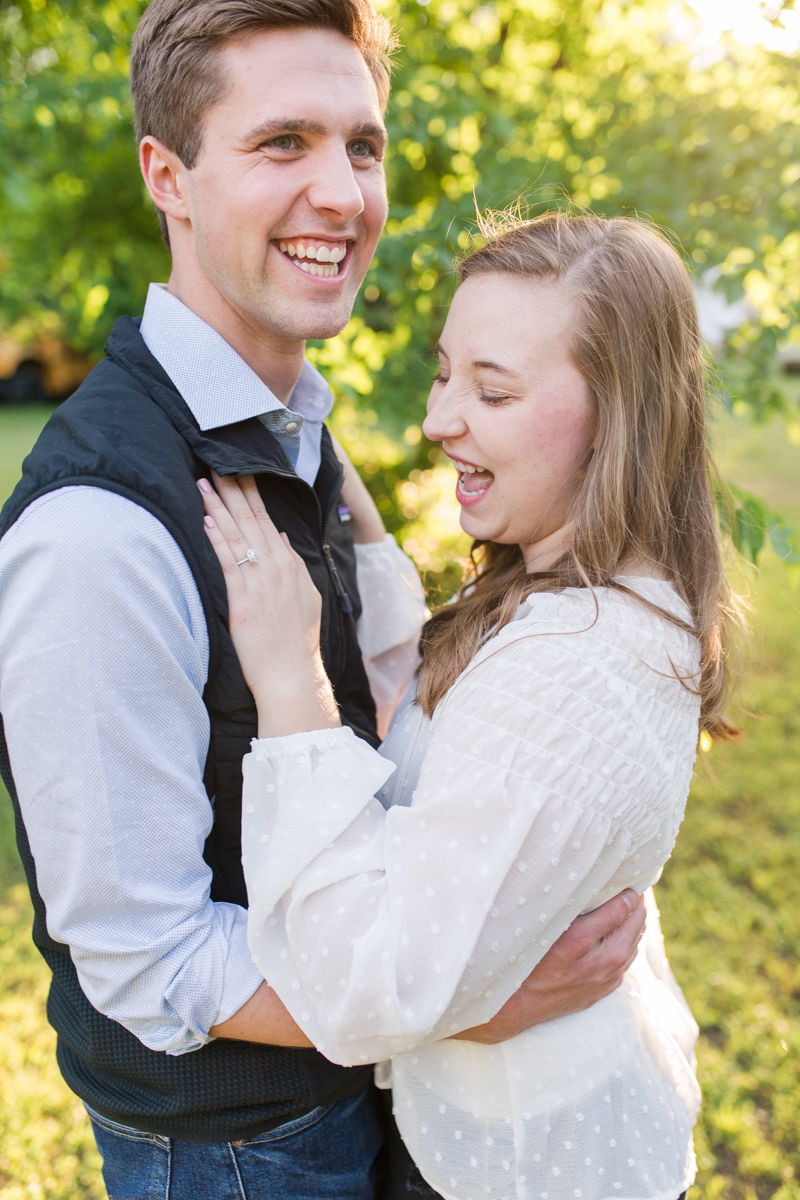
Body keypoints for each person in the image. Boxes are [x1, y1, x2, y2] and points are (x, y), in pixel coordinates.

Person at [0, 3, 645, 1197]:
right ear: (169, 176)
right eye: (280, 143)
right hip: (238, 1153)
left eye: (361, 145)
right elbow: (147, 959)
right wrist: (461, 998)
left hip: (356, 1101)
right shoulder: (97, 532)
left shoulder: (291, 429)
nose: (344, 196)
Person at [197, 211, 741, 1200]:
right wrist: (322, 470)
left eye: (491, 389)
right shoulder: (575, 591)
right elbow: (456, 703)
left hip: (511, 1170)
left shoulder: (572, 673)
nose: (438, 418)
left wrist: (292, 687)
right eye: (446, 373)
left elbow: (371, 983)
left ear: (618, 421)